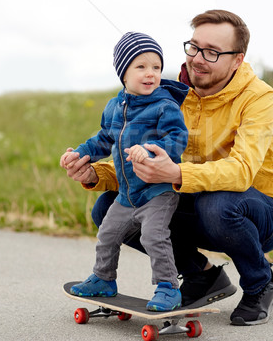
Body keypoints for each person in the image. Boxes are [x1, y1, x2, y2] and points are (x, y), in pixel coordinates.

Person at [63, 10, 273, 325]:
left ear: (237, 60)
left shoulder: (259, 97)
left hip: (266, 211)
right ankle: (201, 276)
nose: (198, 58)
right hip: (195, 195)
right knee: (109, 208)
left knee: (216, 205)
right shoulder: (170, 96)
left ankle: (259, 284)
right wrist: (97, 175)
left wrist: (175, 174)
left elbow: (241, 171)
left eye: (212, 52)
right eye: (194, 46)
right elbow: (142, 159)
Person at [60, 32, 189, 312]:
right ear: (124, 72)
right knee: (107, 233)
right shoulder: (114, 107)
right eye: (140, 67)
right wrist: (80, 153)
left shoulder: (164, 105)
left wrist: (151, 148)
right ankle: (104, 279)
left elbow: (178, 137)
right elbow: (104, 139)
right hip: (127, 194)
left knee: (153, 236)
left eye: (156, 67)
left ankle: (168, 287)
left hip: (158, 192)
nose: (150, 74)